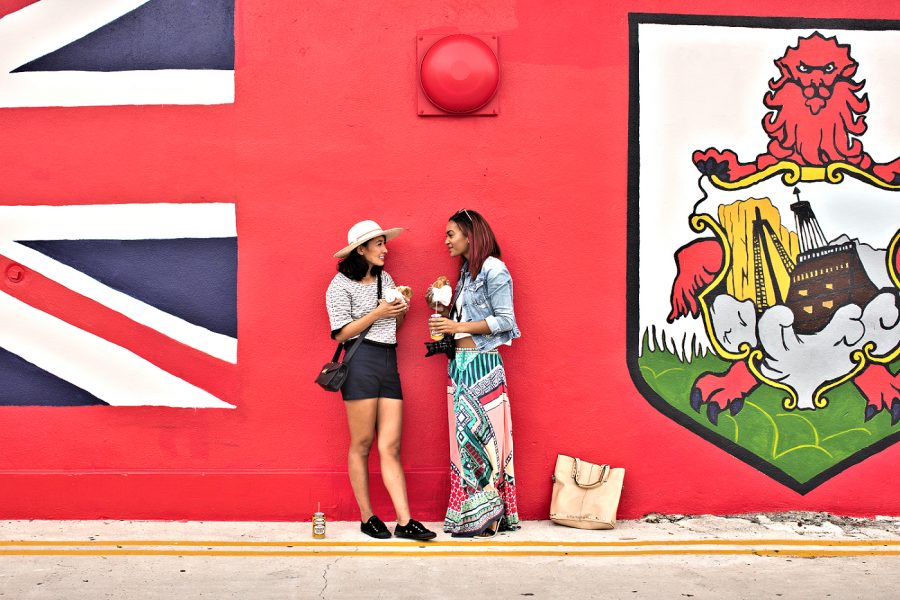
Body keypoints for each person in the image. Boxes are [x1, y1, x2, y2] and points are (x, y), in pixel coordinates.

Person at [326, 220, 436, 541]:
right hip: (359, 363)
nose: (386, 249)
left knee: (391, 445)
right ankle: (367, 517)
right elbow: (340, 333)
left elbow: (394, 325)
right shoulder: (339, 286)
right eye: (379, 245)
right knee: (361, 444)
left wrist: (400, 307)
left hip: (388, 361)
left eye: (385, 244)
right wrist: (378, 312)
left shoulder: (384, 279)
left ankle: (404, 521)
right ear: (362, 249)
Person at [427, 209, 521, 537]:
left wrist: (457, 326)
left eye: (451, 234)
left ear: (470, 235)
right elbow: (463, 319)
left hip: (482, 365)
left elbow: (506, 320)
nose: (446, 241)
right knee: (465, 441)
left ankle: (489, 516)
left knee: (484, 441)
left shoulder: (494, 269)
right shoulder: (467, 271)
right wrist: (441, 311)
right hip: (460, 364)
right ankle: (472, 514)